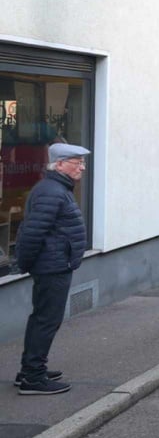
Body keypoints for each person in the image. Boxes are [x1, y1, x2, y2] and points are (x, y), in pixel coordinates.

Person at [15, 143, 91, 395]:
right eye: (76, 161)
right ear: (59, 164)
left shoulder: (57, 189)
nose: (82, 166)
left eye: (82, 161)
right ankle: (33, 378)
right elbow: (31, 234)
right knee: (47, 320)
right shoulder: (52, 192)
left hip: (55, 264)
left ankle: (29, 370)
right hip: (52, 267)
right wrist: (24, 263)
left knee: (42, 319)